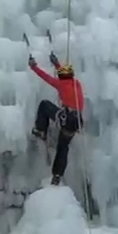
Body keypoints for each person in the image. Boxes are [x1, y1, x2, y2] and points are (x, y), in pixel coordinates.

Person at [28, 51, 84, 185]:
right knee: (63, 147)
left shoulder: (61, 84)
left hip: (66, 119)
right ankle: (57, 175)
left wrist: (33, 67)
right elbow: (64, 74)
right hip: (76, 122)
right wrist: (56, 63)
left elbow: (45, 77)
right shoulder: (76, 83)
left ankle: (41, 130)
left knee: (44, 105)